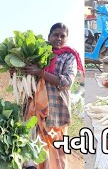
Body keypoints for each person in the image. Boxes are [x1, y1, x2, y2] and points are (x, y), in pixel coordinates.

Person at [23, 23, 84, 169]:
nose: (59, 38)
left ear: (67, 38)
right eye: (56, 35)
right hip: (34, 106)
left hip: (56, 110)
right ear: (49, 36)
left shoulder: (69, 56)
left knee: (55, 149)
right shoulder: (39, 52)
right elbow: (25, 72)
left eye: (63, 36)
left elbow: (66, 82)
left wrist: (41, 73)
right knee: (32, 143)